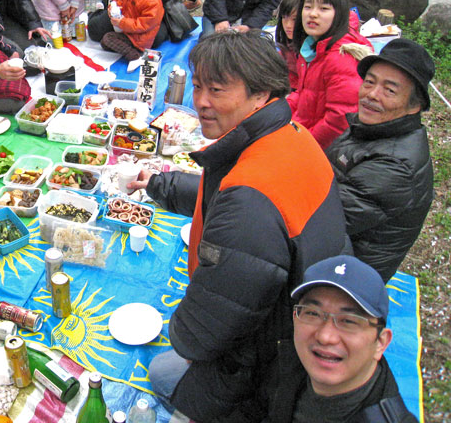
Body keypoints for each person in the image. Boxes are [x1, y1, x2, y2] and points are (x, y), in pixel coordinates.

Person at [129, 31, 348, 421]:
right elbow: (229, 189)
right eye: (197, 86)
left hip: (268, 362)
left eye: (218, 89)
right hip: (297, 322)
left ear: (261, 94)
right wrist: (159, 184)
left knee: (163, 374)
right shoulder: (290, 135)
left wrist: (181, 334)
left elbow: (210, 326)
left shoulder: (249, 202)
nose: (201, 102)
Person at [255, 255, 417, 422]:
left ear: (381, 343)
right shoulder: (285, 362)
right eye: (313, 313)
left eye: (348, 321)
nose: (325, 337)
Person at [326, 39, 434, 282]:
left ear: (414, 106)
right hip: (333, 247)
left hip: (346, 277)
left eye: (390, 90)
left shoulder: (396, 167)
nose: (371, 95)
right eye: (370, 82)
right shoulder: (371, 128)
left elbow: (324, 219)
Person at [287, 0, 373, 149]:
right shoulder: (313, 47)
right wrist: (277, 110)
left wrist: (304, 144)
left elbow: (340, 118)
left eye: (323, 9)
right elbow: (304, 93)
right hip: (301, 131)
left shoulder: (340, 56)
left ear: (339, 14)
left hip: (319, 147)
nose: (313, 14)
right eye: (308, 7)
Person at [274, 0, 301, 90]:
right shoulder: (285, 50)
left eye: (294, 19)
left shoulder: (316, 50)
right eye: (284, 18)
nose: (288, 25)